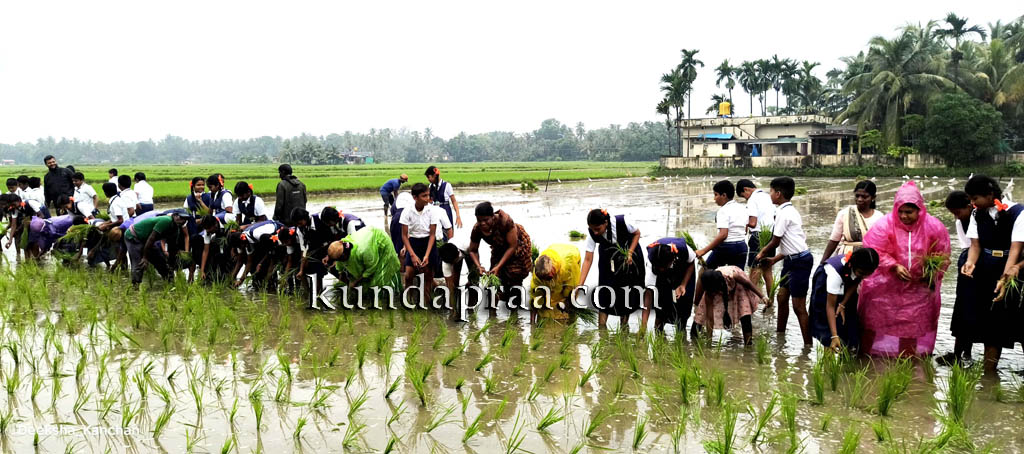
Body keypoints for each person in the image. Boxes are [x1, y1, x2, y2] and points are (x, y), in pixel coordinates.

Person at [858, 180, 950, 357]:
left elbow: (943, 254)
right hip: (886, 289)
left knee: (911, 327)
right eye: (900, 211)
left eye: (909, 212)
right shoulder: (884, 225)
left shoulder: (934, 227)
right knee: (873, 322)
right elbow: (873, 249)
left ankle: (907, 361)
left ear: (919, 210)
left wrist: (930, 272)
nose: (904, 216)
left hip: (918, 290)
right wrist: (894, 266)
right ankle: (867, 358)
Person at [961, 176, 1024, 372]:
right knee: (987, 321)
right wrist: (970, 263)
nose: (972, 203)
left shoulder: (1017, 213)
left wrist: (1004, 280)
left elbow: (1015, 249)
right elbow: (975, 245)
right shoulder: (977, 213)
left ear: (990, 195)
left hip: (1010, 267)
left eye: (975, 198)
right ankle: (989, 372)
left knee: (1010, 320)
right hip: (985, 268)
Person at [754, 177, 814, 346]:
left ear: (778, 194)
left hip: (800, 262)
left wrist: (760, 254)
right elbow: (791, 245)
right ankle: (780, 337)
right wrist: (773, 259)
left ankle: (807, 346)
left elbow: (776, 241)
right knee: (781, 297)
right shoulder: (788, 211)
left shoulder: (784, 213)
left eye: (771, 191)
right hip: (790, 259)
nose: (770, 194)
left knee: (798, 306)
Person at [579, 209, 646, 328]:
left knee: (627, 293)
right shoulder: (592, 233)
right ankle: (601, 329)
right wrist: (580, 285)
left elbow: (637, 233)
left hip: (629, 258)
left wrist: (630, 252)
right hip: (607, 260)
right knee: (605, 293)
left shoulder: (622, 222)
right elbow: (588, 259)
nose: (595, 232)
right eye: (592, 229)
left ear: (606, 222)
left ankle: (624, 327)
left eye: (597, 229)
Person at [809, 247, 880, 352]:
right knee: (826, 326)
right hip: (824, 286)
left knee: (850, 322)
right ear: (853, 266)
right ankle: (828, 360)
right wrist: (834, 336)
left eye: (867, 274)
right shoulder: (835, 273)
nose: (864, 276)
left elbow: (856, 281)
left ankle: (848, 356)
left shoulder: (861, 269)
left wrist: (842, 304)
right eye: (862, 273)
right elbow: (830, 306)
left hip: (847, 282)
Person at [467, 202, 534, 309]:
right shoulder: (477, 229)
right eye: (479, 220)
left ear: (493, 217)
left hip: (517, 246)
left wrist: (499, 266)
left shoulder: (505, 221)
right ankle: (493, 313)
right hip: (498, 247)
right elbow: (472, 250)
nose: (482, 223)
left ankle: (514, 313)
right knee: (493, 281)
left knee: (514, 278)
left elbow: (512, 246)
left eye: (485, 220)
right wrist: (478, 266)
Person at [936, 191, 977, 366]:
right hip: (968, 262)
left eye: (958, 212)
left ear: (969, 206)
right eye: (953, 213)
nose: (956, 217)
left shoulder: (982, 217)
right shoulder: (962, 220)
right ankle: (961, 354)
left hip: (981, 264)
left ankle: (965, 355)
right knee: (963, 310)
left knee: (974, 311)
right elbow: (967, 245)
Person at [693, 266, 766, 345]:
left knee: (744, 313)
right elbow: (710, 319)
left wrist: (762, 296)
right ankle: (693, 336)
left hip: (739, 286)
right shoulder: (709, 292)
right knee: (701, 313)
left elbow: (748, 283)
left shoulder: (731, 276)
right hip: (719, 285)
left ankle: (748, 345)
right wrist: (709, 342)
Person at [819, 180, 885, 262]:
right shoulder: (844, 214)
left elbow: (883, 244)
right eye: (857, 196)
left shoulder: (879, 217)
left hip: (870, 261)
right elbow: (834, 240)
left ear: (873, 197)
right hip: (846, 259)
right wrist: (822, 262)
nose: (859, 199)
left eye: (864, 197)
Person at [328, 227, 403, 293]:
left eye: (342, 258)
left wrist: (355, 282)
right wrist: (342, 284)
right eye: (338, 260)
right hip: (367, 243)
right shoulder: (339, 252)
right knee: (364, 286)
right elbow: (340, 269)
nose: (340, 260)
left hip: (381, 243)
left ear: (344, 254)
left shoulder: (363, 250)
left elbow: (371, 268)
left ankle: (392, 296)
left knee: (379, 282)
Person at [646, 238, 697, 333]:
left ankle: (681, 332)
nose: (662, 269)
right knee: (661, 302)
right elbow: (648, 293)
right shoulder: (652, 258)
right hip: (662, 275)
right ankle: (658, 331)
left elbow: (691, 262)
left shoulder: (683, 250)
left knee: (684, 301)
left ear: (672, 259)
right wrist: (643, 325)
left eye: (664, 267)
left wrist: (683, 285)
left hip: (684, 271)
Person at [124, 212, 188, 287]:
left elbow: (172, 248)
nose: (181, 221)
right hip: (134, 236)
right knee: (139, 263)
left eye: (184, 220)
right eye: (180, 218)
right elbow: (151, 238)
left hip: (147, 239)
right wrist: (145, 257)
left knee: (160, 261)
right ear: (175, 216)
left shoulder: (176, 230)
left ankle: (170, 283)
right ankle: (135, 286)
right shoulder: (166, 221)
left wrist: (172, 264)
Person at [696, 180, 748, 269]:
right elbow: (745, 230)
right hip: (742, 246)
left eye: (716, 195)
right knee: (737, 276)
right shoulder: (743, 208)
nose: (714, 198)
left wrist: (703, 251)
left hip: (726, 247)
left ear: (724, 195)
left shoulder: (723, 211)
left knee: (705, 271)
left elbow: (723, 235)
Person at [737, 178, 776, 297]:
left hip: (757, 236)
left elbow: (753, 223)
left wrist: (744, 223)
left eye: (744, 196)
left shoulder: (752, 199)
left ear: (746, 189)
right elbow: (774, 217)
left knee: (754, 270)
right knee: (767, 271)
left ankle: (748, 302)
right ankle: (770, 302)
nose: (746, 198)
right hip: (770, 235)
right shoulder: (767, 196)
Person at [400, 183, 438, 301]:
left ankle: (427, 302)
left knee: (428, 275)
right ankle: (408, 300)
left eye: (428, 195)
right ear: (415, 197)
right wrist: (412, 255)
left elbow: (432, 235)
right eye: (424, 196)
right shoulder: (407, 211)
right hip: (414, 243)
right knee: (408, 275)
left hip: (428, 243)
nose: (427, 198)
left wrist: (426, 255)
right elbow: (404, 235)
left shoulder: (432, 210)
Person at [530, 244, 582, 323]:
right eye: (545, 278)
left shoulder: (568, 266)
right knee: (544, 308)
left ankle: (570, 319)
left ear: (553, 267)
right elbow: (535, 297)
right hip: (554, 251)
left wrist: (568, 303)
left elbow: (572, 287)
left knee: (567, 295)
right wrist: (532, 323)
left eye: (548, 276)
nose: (547, 280)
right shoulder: (538, 275)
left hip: (572, 256)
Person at [228, 219, 286, 289]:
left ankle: (272, 283)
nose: (241, 249)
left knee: (271, 262)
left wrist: (261, 263)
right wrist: (232, 279)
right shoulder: (244, 241)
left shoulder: (257, 234)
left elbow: (270, 253)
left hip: (277, 232)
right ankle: (266, 284)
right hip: (265, 241)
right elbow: (247, 261)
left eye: (241, 247)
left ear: (242, 242)